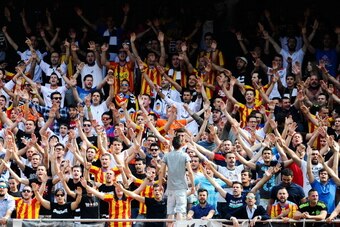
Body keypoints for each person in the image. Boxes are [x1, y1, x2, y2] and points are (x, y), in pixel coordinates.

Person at [158, 135, 195, 221]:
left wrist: (160, 185)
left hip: (170, 187)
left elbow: (161, 171)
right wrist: (193, 186)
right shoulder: (185, 155)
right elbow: (190, 171)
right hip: (181, 188)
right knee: (180, 210)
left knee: (170, 211)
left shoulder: (167, 155)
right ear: (182, 144)